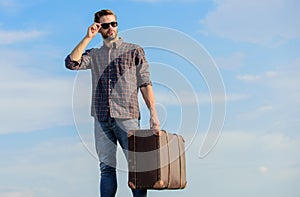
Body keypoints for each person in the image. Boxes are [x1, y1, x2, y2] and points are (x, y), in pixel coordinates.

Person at [65, 9, 160, 197]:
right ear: (99, 28)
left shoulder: (134, 50)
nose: (110, 28)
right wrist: (87, 37)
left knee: (137, 169)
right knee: (106, 169)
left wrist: (153, 114)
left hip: (127, 116)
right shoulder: (94, 54)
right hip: (101, 118)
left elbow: (145, 83)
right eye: (105, 25)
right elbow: (71, 63)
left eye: (113, 24)